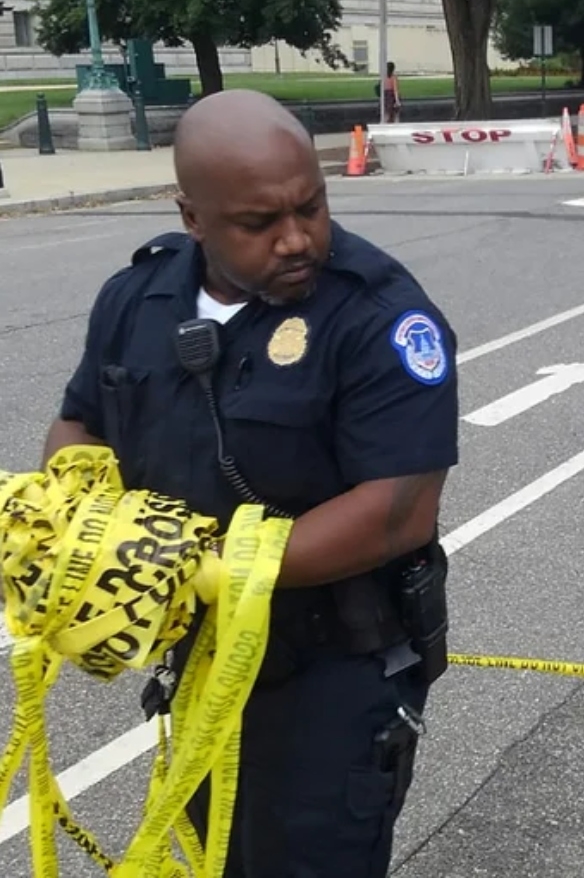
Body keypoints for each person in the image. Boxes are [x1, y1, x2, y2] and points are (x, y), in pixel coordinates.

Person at [42, 88, 458, 877]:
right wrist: (77, 520)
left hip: (330, 673)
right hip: (196, 660)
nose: (297, 239)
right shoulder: (138, 298)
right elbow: (79, 422)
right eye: (259, 224)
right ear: (193, 218)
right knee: (212, 853)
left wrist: (203, 570)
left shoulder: (381, 319)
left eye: (312, 206)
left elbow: (398, 510)